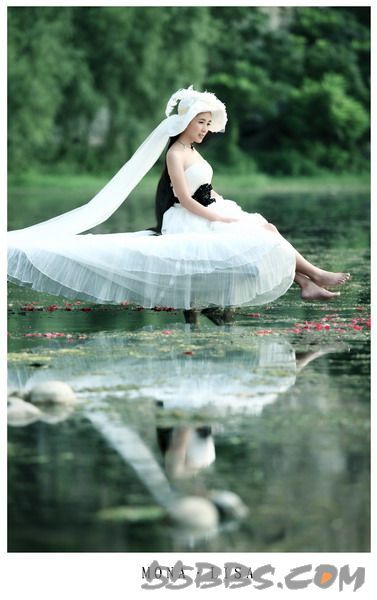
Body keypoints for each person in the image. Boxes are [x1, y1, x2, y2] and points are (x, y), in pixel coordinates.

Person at [7, 86, 350, 309]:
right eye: (200, 122)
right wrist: (220, 218)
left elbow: (204, 189)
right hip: (189, 216)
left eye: (207, 124)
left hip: (209, 208)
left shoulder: (194, 153)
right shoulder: (176, 154)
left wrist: (225, 206)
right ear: (184, 122)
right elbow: (185, 199)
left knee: (267, 229)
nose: (204, 129)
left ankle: (307, 280)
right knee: (263, 237)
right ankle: (313, 276)